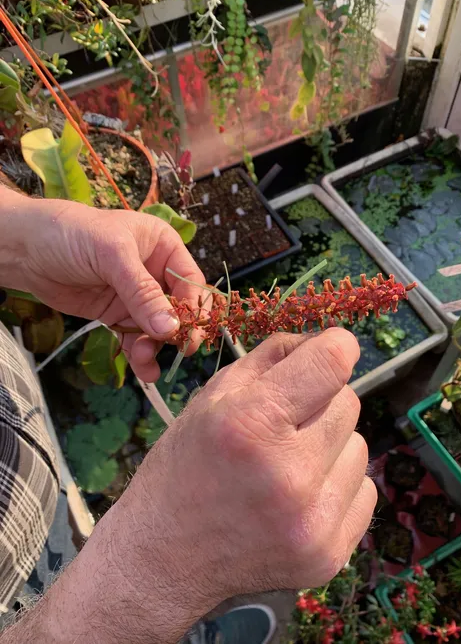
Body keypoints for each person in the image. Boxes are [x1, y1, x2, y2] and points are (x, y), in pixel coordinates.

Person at [0, 187, 376, 643]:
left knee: (61, 567)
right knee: (76, 599)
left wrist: (20, 232)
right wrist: (151, 577)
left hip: (35, 512)